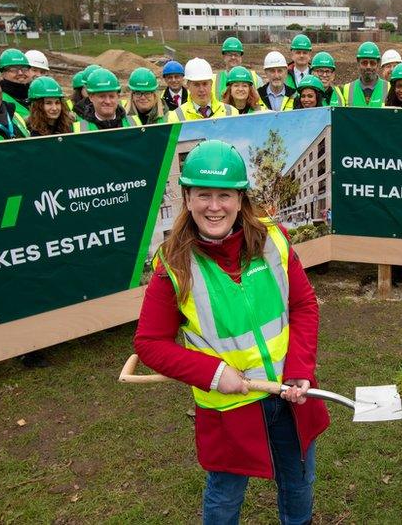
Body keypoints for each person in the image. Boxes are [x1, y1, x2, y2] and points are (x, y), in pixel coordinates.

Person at [133, 139, 329, 524]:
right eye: (203, 195)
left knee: (299, 481)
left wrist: (300, 369)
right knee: (225, 494)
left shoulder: (274, 241)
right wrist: (214, 374)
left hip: (291, 395)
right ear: (187, 198)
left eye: (225, 195)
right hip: (229, 408)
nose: (214, 206)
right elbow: (149, 344)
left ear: (240, 200)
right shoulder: (173, 265)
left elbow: (303, 305)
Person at [166, 58, 239, 122]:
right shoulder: (175, 118)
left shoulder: (231, 113)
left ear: (211, 84)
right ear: (188, 86)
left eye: (205, 84)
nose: (201, 89)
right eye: (196, 84)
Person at [72, 68, 138, 132]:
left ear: (118, 96)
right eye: (102, 96)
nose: (107, 101)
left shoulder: (134, 123)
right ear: (91, 97)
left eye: (111, 96)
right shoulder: (79, 129)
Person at [342, 41, 388, 108]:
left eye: (372, 63)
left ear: (378, 64)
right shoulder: (347, 89)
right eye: (364, 63)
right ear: (358, 64)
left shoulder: (389, 88)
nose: (368, 67)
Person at [0, 48, 32, 121]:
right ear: (2, 73)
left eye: (24, 69)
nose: (20, 73)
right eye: (13, 70)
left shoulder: (35, 93)